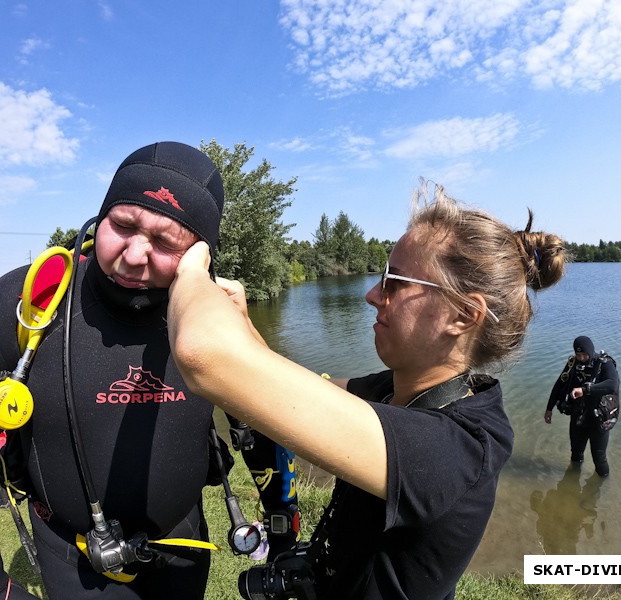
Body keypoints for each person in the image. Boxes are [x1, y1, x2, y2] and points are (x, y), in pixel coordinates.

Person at [0, 141, 299, 600]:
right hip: (74, 559)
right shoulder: (26, 303)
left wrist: (283, 531)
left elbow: (267, 422)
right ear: (101, 216)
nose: (134, 254)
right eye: (123, 225)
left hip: (183, 551)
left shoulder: (220, 320)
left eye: (166, 242)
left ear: (201, 255)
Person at [166, 180, 567, 599]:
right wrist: (244, 323)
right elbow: (293, 390)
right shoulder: (394, 389)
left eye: (394, 282)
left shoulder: (454, 450)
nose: (372, 295)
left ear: (463, 315)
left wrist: (190, 270)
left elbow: (201, 355)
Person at [544, 335, 619, 477]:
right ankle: (571, 485)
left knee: (599, 458)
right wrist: (549, 408)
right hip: (578, 416)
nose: (582, 358)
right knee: (576, 454)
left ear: (591, 351)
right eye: (578, 354)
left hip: (599, 419)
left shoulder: (605, 363)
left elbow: (612, 384)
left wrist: (585, 390)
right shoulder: (573, 364)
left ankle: (601, 487)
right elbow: (559, 384)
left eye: (585, 354)